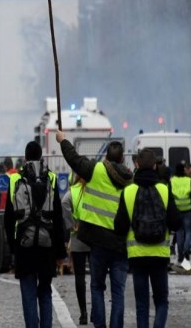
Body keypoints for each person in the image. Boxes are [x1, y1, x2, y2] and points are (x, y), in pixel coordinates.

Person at [56, 130, 132, 328]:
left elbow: (74, 160)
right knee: (118, 293)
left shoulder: (96, 170)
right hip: (120, 244)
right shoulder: (130, 181)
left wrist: (63, 141)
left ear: (106, 155)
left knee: (97, 287)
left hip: (97, 243)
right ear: (123, 158)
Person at [115, 148, 181, 328]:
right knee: (161, 301)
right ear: (154, 166)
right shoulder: (164, 190)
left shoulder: (128, 192)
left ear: (136, 164)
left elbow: (119, 227)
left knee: (141, 304)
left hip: (137, 256)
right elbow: (176, 222)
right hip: (160, 254)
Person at [3, 141, 66, 328]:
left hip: (24, 245)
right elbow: (58, 217)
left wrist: (13, 246)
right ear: (41, 157)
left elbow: (8, 219)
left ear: (25, 158)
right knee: (45, 292)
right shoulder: (52, 179)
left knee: (28, 294)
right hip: (47, 247)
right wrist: (60, 251)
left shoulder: (15, 180)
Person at [62, 173, 90, 325]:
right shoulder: (93, 189)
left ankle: (83, 313)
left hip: (78, 237)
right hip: (94, 237)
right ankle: (96, 311)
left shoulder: (72, 191)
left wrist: (72, 224)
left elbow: (64, 203)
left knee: (80, 277)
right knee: (96, 278)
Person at [170, 162, 191, 264]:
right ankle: (186, 249)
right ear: (183, 170)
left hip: (177, 209)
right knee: (188, 232)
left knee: (179, 233)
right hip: (187, 208)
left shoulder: (172, 180)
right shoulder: (189, 180)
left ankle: (180, 256)